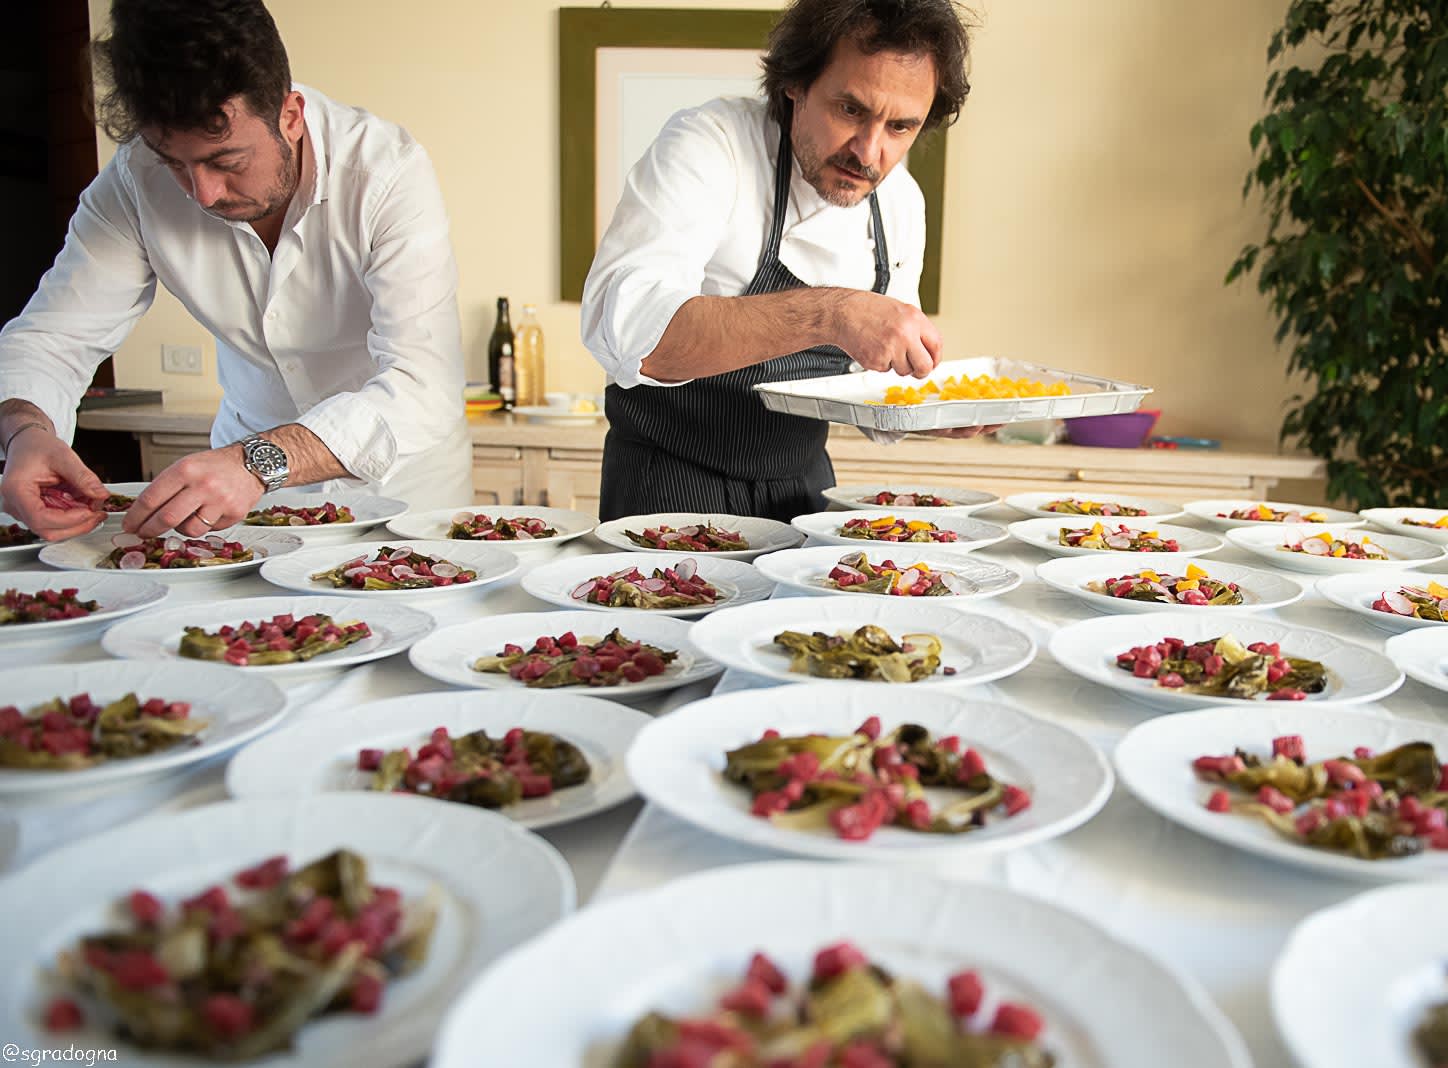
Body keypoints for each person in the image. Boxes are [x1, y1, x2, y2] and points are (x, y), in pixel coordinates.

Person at [0, 0, 471, 542]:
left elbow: (422, 385)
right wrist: (25, 432)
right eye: (173, 162)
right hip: (239, 494)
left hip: (405, 487)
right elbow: (52, 338)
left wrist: (255, 461)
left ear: (290, 116)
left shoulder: (385, 173)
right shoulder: (133, 181)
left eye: (226, 162)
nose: (202, 194)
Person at [581, 0, 981, 523]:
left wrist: (934, 410)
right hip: (669, 485)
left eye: (901, 127)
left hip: (805, 490)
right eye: (851, 110)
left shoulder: (901, 202)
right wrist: (831, 314)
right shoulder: (711, 145)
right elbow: (635, 336)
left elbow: (875, 384)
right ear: (796, 82)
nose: (868, 152)